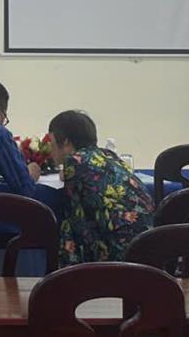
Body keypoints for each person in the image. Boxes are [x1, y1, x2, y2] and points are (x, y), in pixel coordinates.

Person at [49, 110, 152, 265]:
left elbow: (75, 217)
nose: (50, 150)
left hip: (119, 245)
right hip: (146, 239)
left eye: (51, 142)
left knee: (67, 227)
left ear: (65, 142)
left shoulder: (75, 161)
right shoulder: (108, 155)